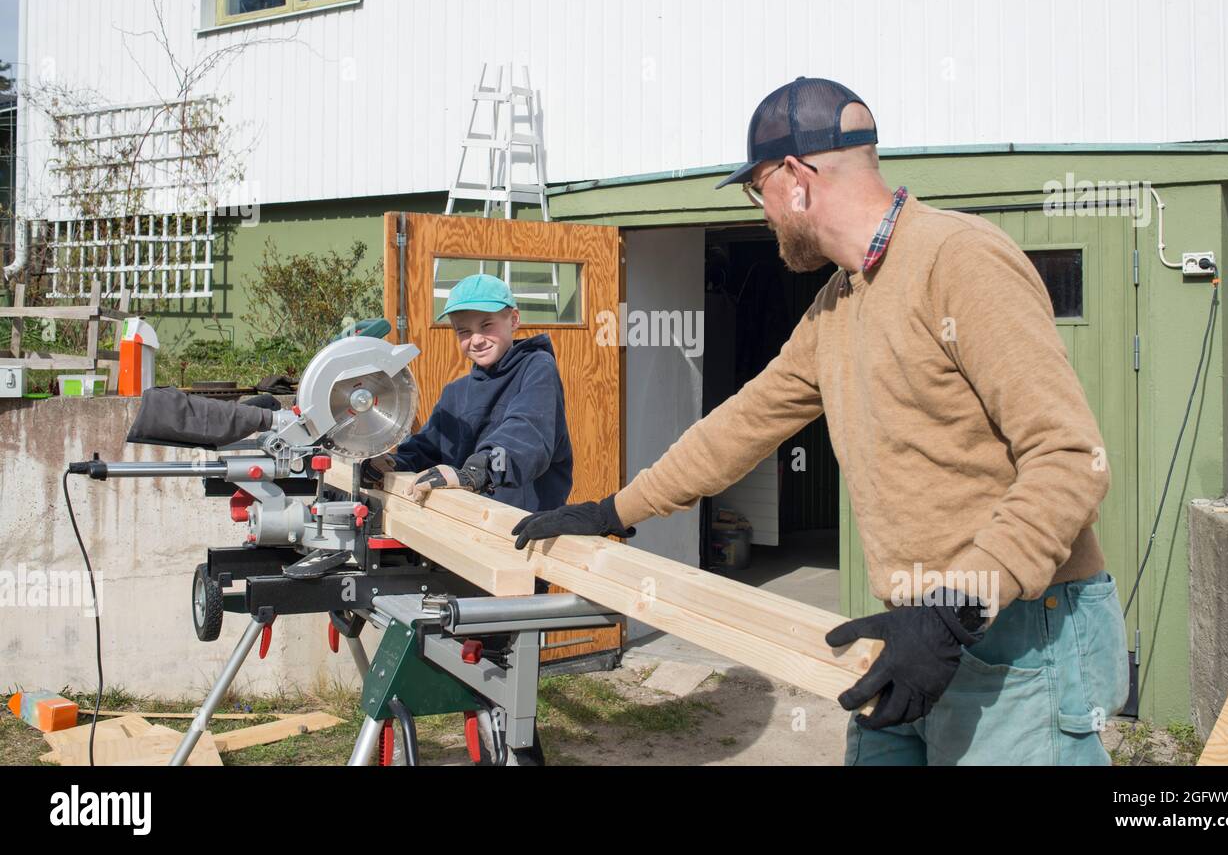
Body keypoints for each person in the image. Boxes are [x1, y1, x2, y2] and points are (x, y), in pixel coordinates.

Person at [511, 78, 1128, 766]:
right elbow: (742, 424)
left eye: (759, 192)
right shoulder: (838, 303)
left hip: (1014, 630)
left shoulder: (960, 259)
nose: (765, 214)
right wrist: (613, 509)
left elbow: (1071, 458)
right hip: (913, 624)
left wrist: (957, 607)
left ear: (796, 179)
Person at [362, 273, 573, 513]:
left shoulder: (536, 368)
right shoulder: (456, 393)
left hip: (524, 524)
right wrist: (394, 464)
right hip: (469, 525)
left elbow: (527, 433)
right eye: (464, 331)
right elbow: (428, 449)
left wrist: (478, 470)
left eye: (486, 325)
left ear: (514, 319)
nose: (477, 340)